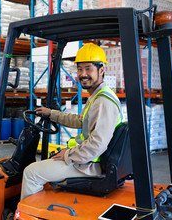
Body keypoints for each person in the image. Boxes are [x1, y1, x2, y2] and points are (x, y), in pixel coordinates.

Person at [20, 43, 122, 200]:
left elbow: (97, 145)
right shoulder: (98, 95)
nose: (83, 74)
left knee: (31, 172)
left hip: (90, 165)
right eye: (80, 69)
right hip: (88, 159)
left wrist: (68, 155)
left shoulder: (103, 101)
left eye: (88, 68)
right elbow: (81, 121)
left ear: (101, 70)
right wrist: (52, 114)